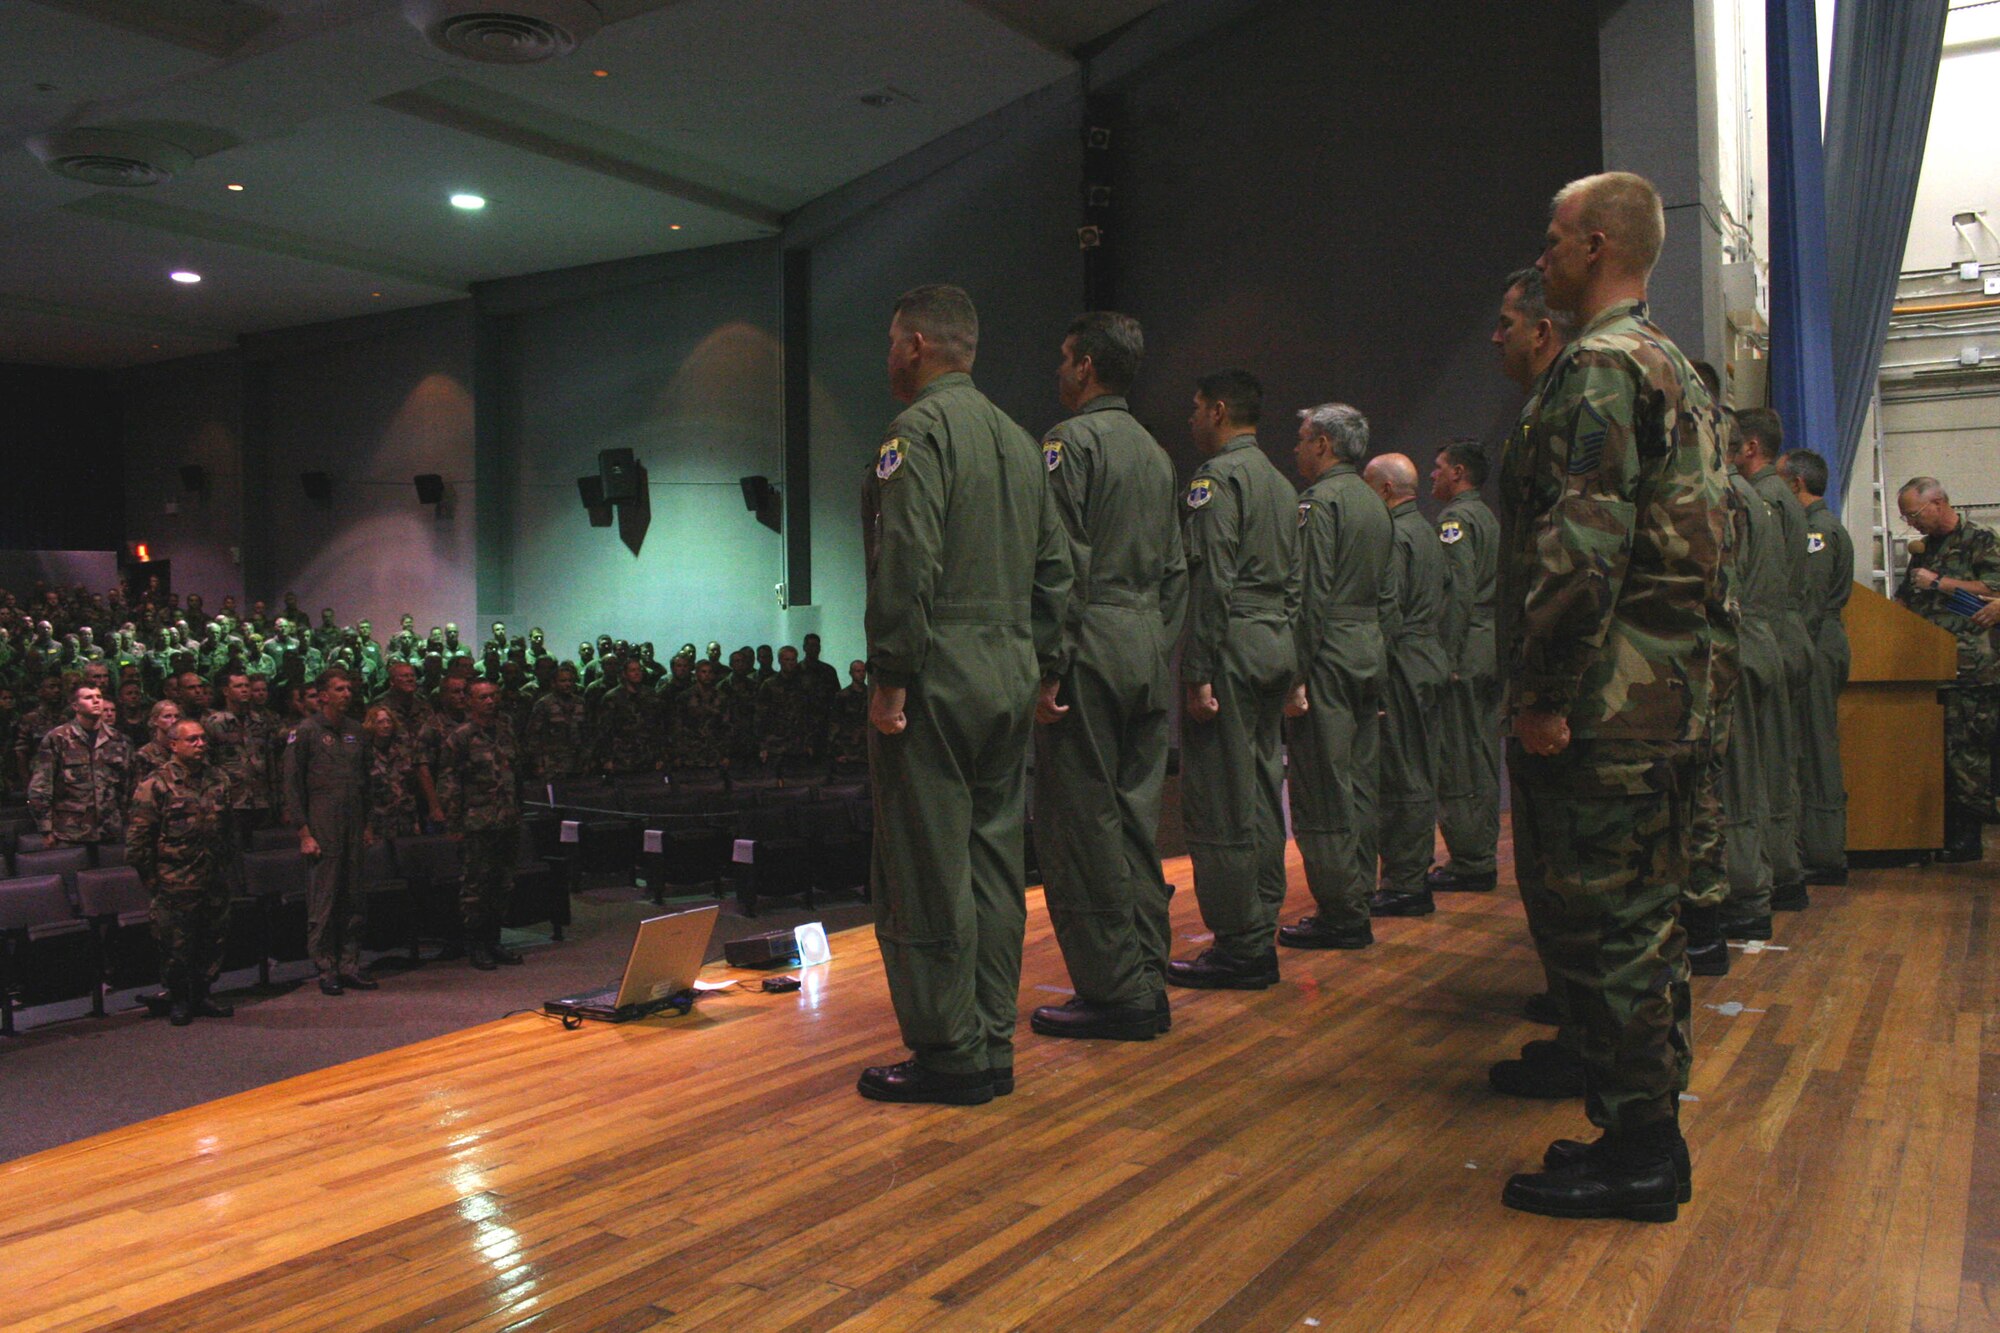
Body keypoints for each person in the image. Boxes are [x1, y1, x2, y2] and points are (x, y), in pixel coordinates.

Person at [1496, 171, 1727, 1223]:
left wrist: (1543, 689)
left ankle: (1639, 1152)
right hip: (1659, 690)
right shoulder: (1666, 362)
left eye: (1551, 239)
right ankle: (1634, 1132)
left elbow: (1581, 547)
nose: (1539, 254)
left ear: (1594, 245)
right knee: (1640, 920)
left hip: (1604, 701)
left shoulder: (1595, 369)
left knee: (1611, 926)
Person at [859, 283, 1070, 1106]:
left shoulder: (917, 432)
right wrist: (1048, 664)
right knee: (993, 863)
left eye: (890, 342)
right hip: (1010, 665)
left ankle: (950, 1052)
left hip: (938, 666)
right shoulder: (1022, 442)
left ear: (914, 345)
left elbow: (905, 561)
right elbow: (1057, 565)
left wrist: (890, 675)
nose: (888, 357)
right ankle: (990, 1038)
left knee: (924, 862)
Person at [1028, 311, 1188, 1042]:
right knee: (1134, 816)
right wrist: (1159, 642)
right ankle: (1146, 969)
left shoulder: (1071, 442)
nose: (1058, 371)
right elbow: (1178, 568)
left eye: (1065, 358)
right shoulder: (1157, 453)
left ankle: (1111, 987)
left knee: (1079, 818)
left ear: (1088, 365)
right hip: (1147, 641)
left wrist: (1048, 662)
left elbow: (1061, 564)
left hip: (1090, 639)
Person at [1166, 369, 1300, 990]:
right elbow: (1296, 581)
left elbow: (1212, 576)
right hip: (1274, 639)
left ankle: (1240, 944)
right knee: (1263, 787)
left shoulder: (1216, 479)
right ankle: (1261, 919)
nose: (1190, 419)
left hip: (1232, 644)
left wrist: (1196, 670)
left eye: (1195, 408)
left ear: (1218, 410)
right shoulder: (1278, 480)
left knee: (1221, 796)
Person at [1277, 403, 1391, 951]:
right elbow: (1389, 593)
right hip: (1367, 649)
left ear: (1323, 443)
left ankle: (1341, 911)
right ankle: (1358, 894)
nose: (1295, 448)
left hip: (1327, 654)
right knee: (1361, 784)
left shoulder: (1318, 504)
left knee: (1323, 785)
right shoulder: (1374, 502)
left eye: (1302, 439)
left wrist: (1294, 674)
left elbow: (1308, 595)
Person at [1364, 451, 1450, 918]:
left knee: (1401, 773)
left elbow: (1389, 608)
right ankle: (1410, 874)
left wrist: (1374, 670)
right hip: (1428, 655)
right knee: (1419, 765)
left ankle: (1404, 880)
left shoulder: (1396, 534)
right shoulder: (1428, 530)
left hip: (1403, 660)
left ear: (1384, 490)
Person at [1733, 408, 1811, 911]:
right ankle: (1783, 872)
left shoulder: (1758, 498)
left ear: (1749, 447)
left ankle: (1755, 880)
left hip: (1762, 632)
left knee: (1753, 771)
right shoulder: (1780, 498)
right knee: (1777, 765)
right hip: (1781, 634)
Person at [1899, 476, 2000, 859]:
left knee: (1968, 753)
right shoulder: (1923, 551)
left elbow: (1993, 590)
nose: (1911, 523)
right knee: (1938, 753)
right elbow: (1906, 600)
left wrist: (1940, 583)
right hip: (1927, 666)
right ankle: (1938, 832)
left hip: (1971, 665)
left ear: (1939, 503)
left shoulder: (1980, 540)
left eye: (1914, 513)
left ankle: (1967, 837)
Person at [1714, 416, 1787, 944]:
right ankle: (1759, 885)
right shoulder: (1759, 499)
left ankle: (1744, 895)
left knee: (1736, 784)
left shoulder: (1730, 498)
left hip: (1737, 646)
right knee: (1758, 776)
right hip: (1763, 640)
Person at [1426, 440, 1502, 894]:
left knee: (1459, 755)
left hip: (1466, 644)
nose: (1431, 475)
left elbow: (1458, 592)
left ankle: (1471, 859)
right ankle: (1479, 852)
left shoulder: (1455, 520)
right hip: (1488, 641)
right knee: (1483, 753)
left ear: (1457, 473)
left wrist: (1448, 656)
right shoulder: (1487, 516)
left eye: (1437, 468)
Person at [125, 719, 234, 1026]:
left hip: (212, 874)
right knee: (176, 943)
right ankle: (179, 999)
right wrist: (151, 877)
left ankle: (203, 993)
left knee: (212, 938)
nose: (201, 744)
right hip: (175, 877)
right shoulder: (156, 784)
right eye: (193, 740)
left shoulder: (219, 779)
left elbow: (228, 830)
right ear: (174, 745)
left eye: (203, 739)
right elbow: (139, 839)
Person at [1781, 448, 1853, 883]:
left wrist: (1791, 651)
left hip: (1816, 641)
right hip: (1820, 638)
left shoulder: (1817, 533)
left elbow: (1809, 599)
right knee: (1809, 743)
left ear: (1796, 485)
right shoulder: (1818, 528)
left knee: (1816, 746)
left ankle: (1824, 853)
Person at [285, 668, 377, 995]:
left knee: (353, 898)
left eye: (349, 689)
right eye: (339, 689)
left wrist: (367, 823)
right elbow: (293, 785)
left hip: (353, 821)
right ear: (323, 695)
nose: (346, 694)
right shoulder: (306, 731)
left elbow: (367, 781)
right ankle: (326, 968)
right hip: (323, 823)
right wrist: (303, 832)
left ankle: (350, 964)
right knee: (324, 900)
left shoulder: (356, 731)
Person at [439, 679, 523, 970]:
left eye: (493, 696)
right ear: (471, 701)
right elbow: (449, 783)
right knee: (476, 887)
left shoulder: (506, 731)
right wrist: (453, 823)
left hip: (506, 820)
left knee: (503, 884)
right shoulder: (460, 737)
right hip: (477, 823)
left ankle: (495, 940)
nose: (490, 702)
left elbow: (515, 775)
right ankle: (476, 945)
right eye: (483, 697)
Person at [29, 682, 130, 850]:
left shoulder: (118, 740)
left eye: (99, 697)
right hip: (70, 832)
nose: (96, 701)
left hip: (110, 830)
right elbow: (41, 787)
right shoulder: (58, 739)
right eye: (89, 697)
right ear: (75, 706)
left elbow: (128, 785)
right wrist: (45, 829)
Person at [362, 703, 421, 840]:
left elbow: (411, 787)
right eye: (380, 722)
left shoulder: (403, 750)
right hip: (379, 821)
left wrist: (416, 820)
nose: (386, 725)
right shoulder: (365, 754)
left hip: (405, 819)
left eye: (388, 721)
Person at [524, 663, 590, 781]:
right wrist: (538, 763)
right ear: (553, 683)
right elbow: (533, 735)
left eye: (570, 681)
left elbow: (587, 732)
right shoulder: (544, 704)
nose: (567, 684)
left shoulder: (580, 703)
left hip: (577, 764)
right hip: (552, 765)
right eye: (563, 681)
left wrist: (587, 758)